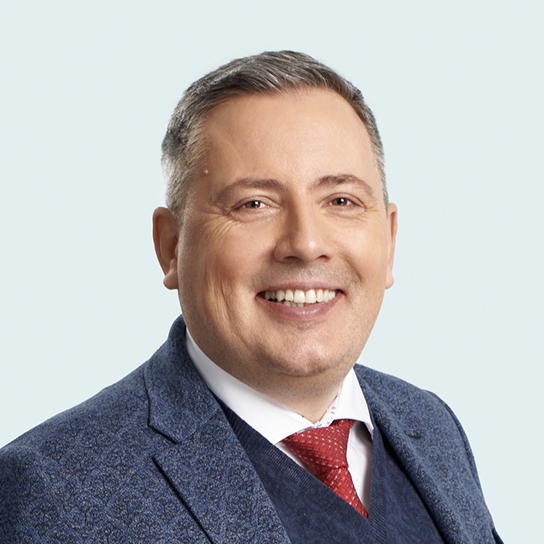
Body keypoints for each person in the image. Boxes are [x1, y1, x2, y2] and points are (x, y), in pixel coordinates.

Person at [0, 51, 502, 543]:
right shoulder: (55, 493)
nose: (306, 242)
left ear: (389, 242)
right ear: (171, 247)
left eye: (341, 200)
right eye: (254, 204)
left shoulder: (430, 426)